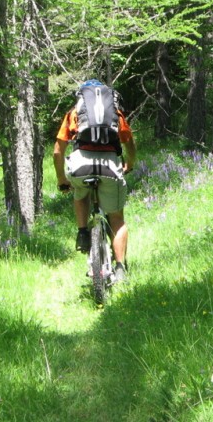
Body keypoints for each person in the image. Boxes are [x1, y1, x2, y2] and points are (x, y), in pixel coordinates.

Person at [53, 79, 136, 283]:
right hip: (110, 166)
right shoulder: (116, 114)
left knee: (80, 193)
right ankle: (119, 268)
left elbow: (58, 150)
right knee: (116, 217)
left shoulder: (74, 114)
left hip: (81, 164)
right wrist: (129, 164)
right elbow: (129, 143)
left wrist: (62, 178)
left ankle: (82, 232)